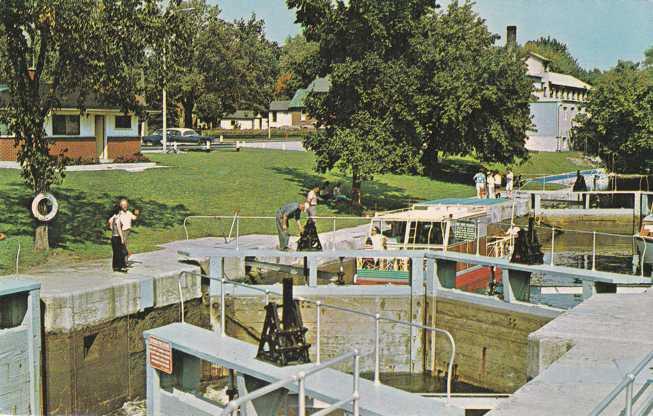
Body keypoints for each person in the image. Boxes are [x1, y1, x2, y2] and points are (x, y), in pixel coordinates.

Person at [118, 198, 140, 266]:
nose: (124, 206)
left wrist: (136, 214)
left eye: (126, 205)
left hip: (127, 231)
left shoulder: (129, 213)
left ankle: (124, 261)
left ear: (127, 205)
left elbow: (134, 218)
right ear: (120, 206)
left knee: (123, 245)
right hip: (121, 231)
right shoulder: (119, 213)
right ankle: (125, 258)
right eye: (123, 205)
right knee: (122, 245)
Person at [109, 206, 128, 272]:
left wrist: (113, 216)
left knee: (115, 253)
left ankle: (115, 267)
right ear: (119, 211)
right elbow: (119, 229)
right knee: (121, 253)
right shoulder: (118, 219)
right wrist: (122, 238)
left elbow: (111, 227)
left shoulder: (113, 219)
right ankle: (121, 267)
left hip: (113, 237)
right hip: (117, 237)